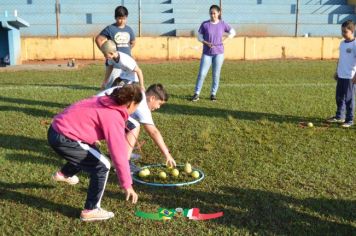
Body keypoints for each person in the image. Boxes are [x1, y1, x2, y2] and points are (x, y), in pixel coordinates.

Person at [47, 84, 142, 222]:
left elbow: (83, 114)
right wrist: (127, 184)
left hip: (56, 130)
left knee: (91, 153)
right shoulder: (113, 115)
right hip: (64, 137)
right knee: (102, 165)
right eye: (137, 106)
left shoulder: (105, 100)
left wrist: (87, 135)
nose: (136, 109)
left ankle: (63, 174)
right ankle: (90, 210)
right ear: (131, 103)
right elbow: (118, 153)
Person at [97, 84, 176, 168]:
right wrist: (167, 154)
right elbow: (153, 132)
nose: (158, 107)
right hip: (100, 114)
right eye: (159, 103)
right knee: (134, 125)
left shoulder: (138, 94)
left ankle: (116, 155)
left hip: (95, 109)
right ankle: (124, 164)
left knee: (126, 124)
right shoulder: (141, 103)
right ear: (152, 98)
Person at [191, 5, 236, 102]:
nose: (212, 15)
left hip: (219, 54)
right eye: (211, 13)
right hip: (207, 53)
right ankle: (196, 93)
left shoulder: (223, 24)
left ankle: (213, 94)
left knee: (216, 74)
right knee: (202, 74)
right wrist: (205, 42)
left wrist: (225, 40)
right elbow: (199, 37)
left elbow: (233, 32)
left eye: (214, 13)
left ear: (219, 13)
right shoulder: (205, 24)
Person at [95, 6, 136, 90]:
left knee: (125, 86)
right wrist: (105, 52)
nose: (122, 21)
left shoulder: (129, 29)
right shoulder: (110, 29)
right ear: (115, 17)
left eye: (124, 18)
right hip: (113, 62)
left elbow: (133, 42)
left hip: (126, 62)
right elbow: (98, 39)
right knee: (110, 86)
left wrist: (128, 51)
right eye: (119, 18)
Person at [326, 20, 356, 128]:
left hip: (350, 77)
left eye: (345, 32)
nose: (343, 34)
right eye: (342, 31)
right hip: (341, 75)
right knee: (339, 97)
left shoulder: (355, 44)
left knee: (349, 99)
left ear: (352, 31)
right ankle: (339, 116)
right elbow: (341, 59)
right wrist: (337, 71)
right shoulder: (342, 43)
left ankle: (349, 119)